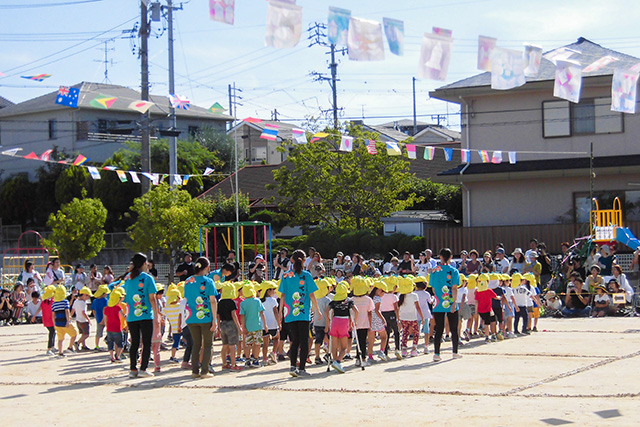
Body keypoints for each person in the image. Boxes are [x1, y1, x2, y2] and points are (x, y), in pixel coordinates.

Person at [278, 249, 320, 378]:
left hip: (289, 312)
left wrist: (280, 312)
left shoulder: (285, 275)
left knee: (294, 340)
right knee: (304, 340)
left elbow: (283, 295)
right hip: (303, 312)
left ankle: (292, 366)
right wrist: (317, 310)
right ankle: (301, 368)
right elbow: (311, 294)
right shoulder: (306, 275)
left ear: (292, 260)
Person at [123, 253, 160, 378]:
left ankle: (133, 369)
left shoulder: (128, 278)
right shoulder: (147, 278)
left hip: (131, 315)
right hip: (145, 315)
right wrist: (156, 314)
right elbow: (152, 298)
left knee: (134, 343)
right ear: (144, 264)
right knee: (146, 342)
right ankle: (143, 368)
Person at [183, 257, 218, 379]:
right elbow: (213, 301)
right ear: (207, 267)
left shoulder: (187, 281)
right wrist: (215, 319)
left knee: (196, 344)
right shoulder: (208, 282)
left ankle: (194, 371)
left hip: (191, 316)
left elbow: (186, 298)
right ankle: (204, 370)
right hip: (206, 316)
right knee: (208, 344)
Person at [430, 248, 461, 361]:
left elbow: (433, 288)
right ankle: (455, 352)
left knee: (439, 329)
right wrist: (454, 302)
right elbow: (454, 288)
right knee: (454, 329)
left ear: (441, 257)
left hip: (438, 302)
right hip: (451, 302)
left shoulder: (434, 270)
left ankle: (437, 354)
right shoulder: (454, 271)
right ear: (451, 257)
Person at [324, 282, 357, 374]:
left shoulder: (334, 301)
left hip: (335, 322)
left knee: (334, 346)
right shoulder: (349, 301)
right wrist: (353, 322)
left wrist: (328, 320)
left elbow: (327, 311)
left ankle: (335, 362)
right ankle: (338, 362)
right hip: (344, 322)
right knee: (344, 348)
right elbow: (356, 311)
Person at [239, 283, 268, 368]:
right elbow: (262, 314)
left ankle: (247, 360)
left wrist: (243, 326)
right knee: (257, 344)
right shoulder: (257, 301)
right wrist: (265, 325)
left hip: (247, 327)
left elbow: (242, 315)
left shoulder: (243, 303)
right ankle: (255, 360)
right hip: (257, 326)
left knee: (248, 344)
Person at [217, 283, 243, 371]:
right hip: (231, 324)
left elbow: (218, 316)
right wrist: (239, 327)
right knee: (232, 346)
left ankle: (224, 363)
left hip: (222, 324)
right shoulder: (231, 302)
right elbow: (234, 314)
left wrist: (217, 328)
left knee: (224, 345)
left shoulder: (220, 302)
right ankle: (233, 364)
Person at [397, 278, 423, 358]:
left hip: (403, 317)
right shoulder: (414, 295)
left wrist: (398, 318)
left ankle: (404, 349)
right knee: (416, 333)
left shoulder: (400, 295)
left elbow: (398, 308)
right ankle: (414, 349)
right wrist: (422, 317)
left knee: (405, 333)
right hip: (412, 317)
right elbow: (418, 307)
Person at [352, 277, 374, 367]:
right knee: (363, 341)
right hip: (365, 323)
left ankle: (358, 358)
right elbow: (370, 313)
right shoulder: (368, 299)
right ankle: (363, 359)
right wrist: (370, 324)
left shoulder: (352, 299)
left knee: (357, 342)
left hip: (355, 323)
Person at [52, 285, 77, 357]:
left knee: (60, 339)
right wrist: (68, 321)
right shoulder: (65, 302)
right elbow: (67, 312)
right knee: (74, 334)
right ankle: (70, 347)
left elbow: (53, 315)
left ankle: (60, 352)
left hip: (57, 323)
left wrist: (54, 324)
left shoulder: (54, 303)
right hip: (65, 322)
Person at [380, 277, 401, 360]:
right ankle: (397, 349)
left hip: (383, 314)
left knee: (386, 333)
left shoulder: (382, 296)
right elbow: (396, 308)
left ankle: (385, 352)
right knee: (396, 332)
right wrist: (398, 318)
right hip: (392, 314)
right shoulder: (394, 296)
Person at [313, 279, 333, 365]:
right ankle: (329, 354)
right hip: (325, 323)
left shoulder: (315, 299)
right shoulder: (327, 300)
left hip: (317, 323)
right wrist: (328, 325)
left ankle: (317, 356)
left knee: (318, 341)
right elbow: (328, 313)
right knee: (328, 339)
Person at [259, 281, 280, 366]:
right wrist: (279, 322)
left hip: (263, 324)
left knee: (265, 343)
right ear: (268, 291)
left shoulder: (260, 301)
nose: (274, 291)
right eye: (273, 289)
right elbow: (275, 312)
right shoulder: (273, 300)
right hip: (272, 323)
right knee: (277, 338)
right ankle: (274, 352)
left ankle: (264, 358)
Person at [104, 288, 126, 363]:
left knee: (110, 344)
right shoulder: (118, 307)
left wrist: (106, 326)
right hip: (117, 328)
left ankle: (112, 357)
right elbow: (123, 316)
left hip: (109, 328)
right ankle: (118, 356)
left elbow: (105, 319)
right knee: (120, 343)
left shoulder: (106, 308)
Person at [475, 274, 498, 342]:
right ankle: (491, 335)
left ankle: (487, 335)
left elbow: (476, 301)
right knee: (492, 322)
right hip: (488, 309)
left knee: (486, 323)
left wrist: (476, 312)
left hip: (481, 310)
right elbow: (495, 297)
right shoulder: (489, 290)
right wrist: (500, 298)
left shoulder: (477, 291)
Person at [164, 287, 183, 363]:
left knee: (175, 342)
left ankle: (173, 356)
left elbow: (161, 313)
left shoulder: (167, 307)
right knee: (190, 341)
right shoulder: (179, 306)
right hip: (182, 327)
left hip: (174, 328)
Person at [415, 278, 434, 354]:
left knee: (417, 331)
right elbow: (430, 302)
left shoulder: (414, 293)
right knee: (426, 331)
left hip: (416, 314)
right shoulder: (426, 293)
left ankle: (415, 347)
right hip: (425, 314)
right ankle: (426, 347)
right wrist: (433, 298)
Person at [71, 287, 92, 351]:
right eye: (87, 296)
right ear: (84, 295)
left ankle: (84, 346)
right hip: (83, 321)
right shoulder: (83, 303)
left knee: (83, 333)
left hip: (78, 320)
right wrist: (88, 319)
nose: (88, 298)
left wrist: (70, 316)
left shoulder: (76, 301)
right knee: (86, 334)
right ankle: (77, 343)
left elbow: (73, 310)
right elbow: (84, 312)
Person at [38, 286, 56, 355]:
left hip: (46, 320)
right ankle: (49, 348)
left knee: (53, 333)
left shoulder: (44, 302)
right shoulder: (52, 302)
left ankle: (52, 346)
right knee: (52, 333)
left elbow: (39, 309)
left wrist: (34, 316)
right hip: (51, 321)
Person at [92, 285, 110, 351]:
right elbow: (105, 310)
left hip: (98, 318)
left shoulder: (95, 301)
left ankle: (96, 346)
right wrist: (104, 319)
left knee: (98, 333)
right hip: (106, 319)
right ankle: (110, 345)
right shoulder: (105, 300)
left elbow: (94, 311)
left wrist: (96, 318)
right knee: (109, 332)